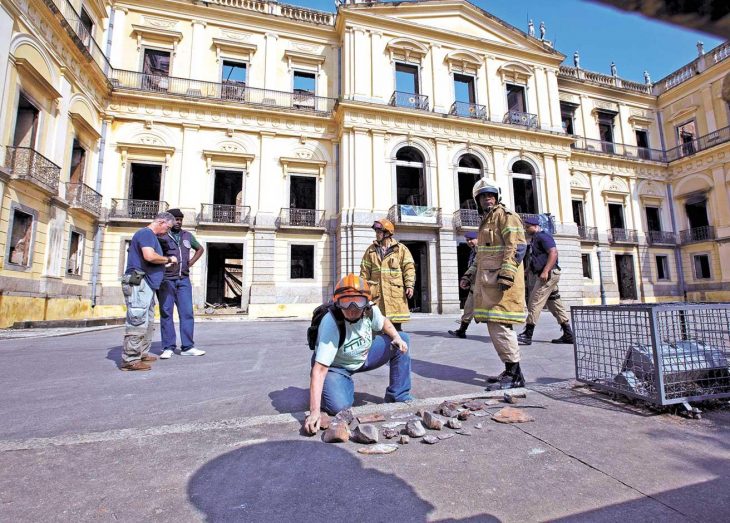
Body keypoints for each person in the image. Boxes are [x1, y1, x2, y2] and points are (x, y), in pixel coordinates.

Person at [303, 274, 412, 434]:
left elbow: (384, 323)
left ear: (367, 302)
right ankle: (337, 386)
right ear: (337, 302)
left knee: (403, 339)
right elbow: (319, 370)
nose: (352, 308)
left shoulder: (370, 311)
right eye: (346, 302)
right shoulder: (331, 322)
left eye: (358, 302)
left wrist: (396, 337)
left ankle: (399, 395)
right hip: (336, 365)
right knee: (339, 407)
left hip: (364, 355)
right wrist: (314, 412)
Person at [470, 179, 528, 390]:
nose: (488, 198)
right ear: (477, 200)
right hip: (489, 283)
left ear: (497, 197)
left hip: (502, 284)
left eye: (491, 195)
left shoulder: (505, 216)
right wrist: (469, 275)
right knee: (497, 326)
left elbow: (518, 245)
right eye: (484, 196)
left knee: (500, 325)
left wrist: (507, 275)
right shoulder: (487, 221)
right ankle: (513, 371)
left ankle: (513, 375)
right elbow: (482, 254)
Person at [120, 212, 178, 371]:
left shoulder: (150, 236)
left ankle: (141, 353)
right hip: (139, 282)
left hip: (146, 283)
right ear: (161, 222)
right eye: (168, 227)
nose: (168, 231)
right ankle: (130, 359)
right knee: (138, 318)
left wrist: (161, 266)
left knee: (148, 319)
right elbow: (149, 256)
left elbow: (149, 260)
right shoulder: (146, 233)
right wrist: (168, 259)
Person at [518, 216, 575, 346]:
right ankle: (568, 334)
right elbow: (537, 258)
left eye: (528, 227)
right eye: (525, 227)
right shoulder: (535, 239)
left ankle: (528, 334)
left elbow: (553, 253)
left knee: (534, 301)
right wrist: (527, 270)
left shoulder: (543, 236)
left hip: (548, 274)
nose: (526, 229)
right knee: (555, 304)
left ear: (536, 226)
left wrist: (545, 271)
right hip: (548, 274)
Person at [157, 208, 206, 359]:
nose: (178, 222)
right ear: (169, 221)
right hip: (167, 279)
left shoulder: (187, 236)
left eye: (180, 219)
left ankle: (188, 346)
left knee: (187, 313)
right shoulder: (162, 236)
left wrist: (189, 263)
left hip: (184, 279)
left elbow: (200, 249)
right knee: (166, 313)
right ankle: (168, 347)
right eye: (175, 219)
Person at [360, 218, 415, 331]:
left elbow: (409, 268)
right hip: (377, 296)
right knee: (377, 328)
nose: (377, 234)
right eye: (376, 232)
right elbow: (364, 272)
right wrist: (362, 291)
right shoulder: (370, 251)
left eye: (379, 232)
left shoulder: (400, 250)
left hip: (394, 296)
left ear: (387, 233)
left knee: (396, 330)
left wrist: (409, 285)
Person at [448, 231, 478, 339]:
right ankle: (462, 330)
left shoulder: (481, 250)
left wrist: (466, 277)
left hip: (482, 285)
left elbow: (475, 266)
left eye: (471, 239)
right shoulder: (473, 251)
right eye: (467, 240)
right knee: (468, 307)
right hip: (475, 284)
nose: (469, 242)